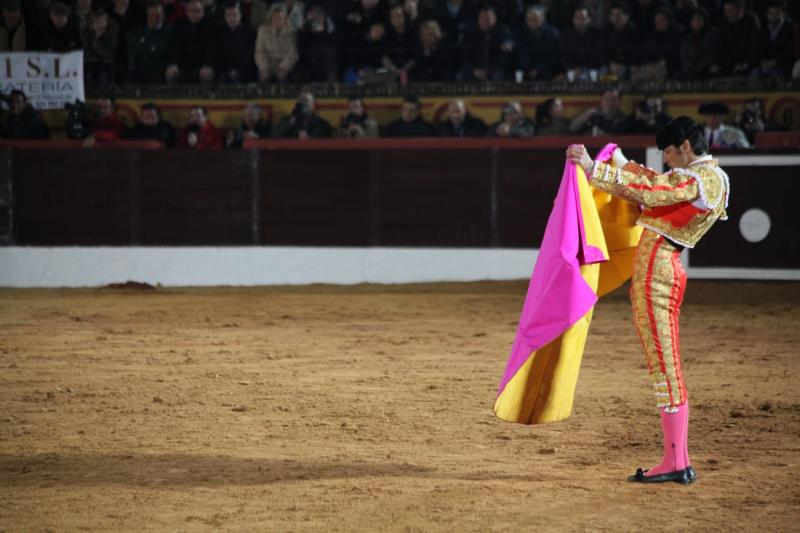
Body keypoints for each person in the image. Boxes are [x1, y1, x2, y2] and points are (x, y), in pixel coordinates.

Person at [567, 114, 731, 484]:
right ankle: (677, 459)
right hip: (658, 272)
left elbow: (653, 192)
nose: (667, 159)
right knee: (664, 363)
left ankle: (676, 463)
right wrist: (623, 163)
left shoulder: (702, 179)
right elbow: (657, 182)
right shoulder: (702, 177)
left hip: (658, 276)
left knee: (665, 366)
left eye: (670, 153)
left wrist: (596, 170)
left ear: (686, 147)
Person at [165, 0, 216, 84]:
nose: (195, 14)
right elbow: (174, 47)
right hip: (183, 64)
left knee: (207, 75)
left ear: (203, 12)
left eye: (198, 11)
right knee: (171, 73)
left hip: (202, 64)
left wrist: (208, 65)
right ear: (187, 11)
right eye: (192, 11)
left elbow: (212, 48)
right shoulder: (179, 24)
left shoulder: (210, 25)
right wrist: (173, 64)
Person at [127, 0, 171, 84]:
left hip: (159, 70)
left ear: (163, 15)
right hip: (140, 71)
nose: (154, 18)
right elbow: (135, 51)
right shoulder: (137, 33)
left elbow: (163, 51)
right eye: (151, 15)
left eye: (157, 15)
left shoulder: (169, 32)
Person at [254, 3, 298, 83]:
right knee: (262, 77)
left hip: (284, 66)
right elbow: (259, 52)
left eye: (280, 18)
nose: (278, 21)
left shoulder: (290, 32)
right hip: (268, 65)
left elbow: (292, 53)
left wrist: (283, 68)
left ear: (285, 20)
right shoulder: (263, 31)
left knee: (285, 78)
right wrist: (264, 68)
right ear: (271, 18)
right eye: (275, 18)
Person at [515, 5, 561, 81]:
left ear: (542, 19)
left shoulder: (552, 33)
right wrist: (528, 69)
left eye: (535, 20)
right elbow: (522, 53)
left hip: (547, 70)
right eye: (529, 20)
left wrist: (538, 69)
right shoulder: (522, 32)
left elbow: (552, 56)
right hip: (527, 70)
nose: (532, 23)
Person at [216, 2, 257, 84]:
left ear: (240, 15)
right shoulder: (220, 32)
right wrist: (228, 70)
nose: (232, 18)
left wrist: (238, 70)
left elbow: (249, 56)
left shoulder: (249, 32)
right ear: (225, 17)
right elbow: (219, 55)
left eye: (234, 15)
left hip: (245, 70)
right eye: (229, 15)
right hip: (225, 70)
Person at [560, 6, 602, 82]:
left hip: (591, 67)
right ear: (573, 20)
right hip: (572, 67)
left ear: (589, 19)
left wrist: (585, 68)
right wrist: (573, 67)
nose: (579, 21)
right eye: (577, 18)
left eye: (583, 19)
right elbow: (564, 55)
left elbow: (597, 55)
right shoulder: (566, 34)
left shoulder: (596, 34)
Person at [677, 7, 721, 80]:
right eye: (693, 20)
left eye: (699, 19)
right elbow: (684, 56)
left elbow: (713, 54)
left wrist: (699, 68)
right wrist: (692, 68)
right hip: (690, 73)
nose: (696, 22)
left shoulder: (713, 35)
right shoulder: (687, 38)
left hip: (708, 72)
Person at [81, 8, 119, 86]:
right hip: (89, 65)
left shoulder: (111, 36)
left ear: (106, 23)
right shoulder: (87, 35)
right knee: (87, 76)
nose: (99, 25)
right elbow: (86, 53)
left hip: (105, 66)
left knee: (103, 77)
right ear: (92, 24)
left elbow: (108, 54)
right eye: (96, 22)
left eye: (101, 22)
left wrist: (96, 41)